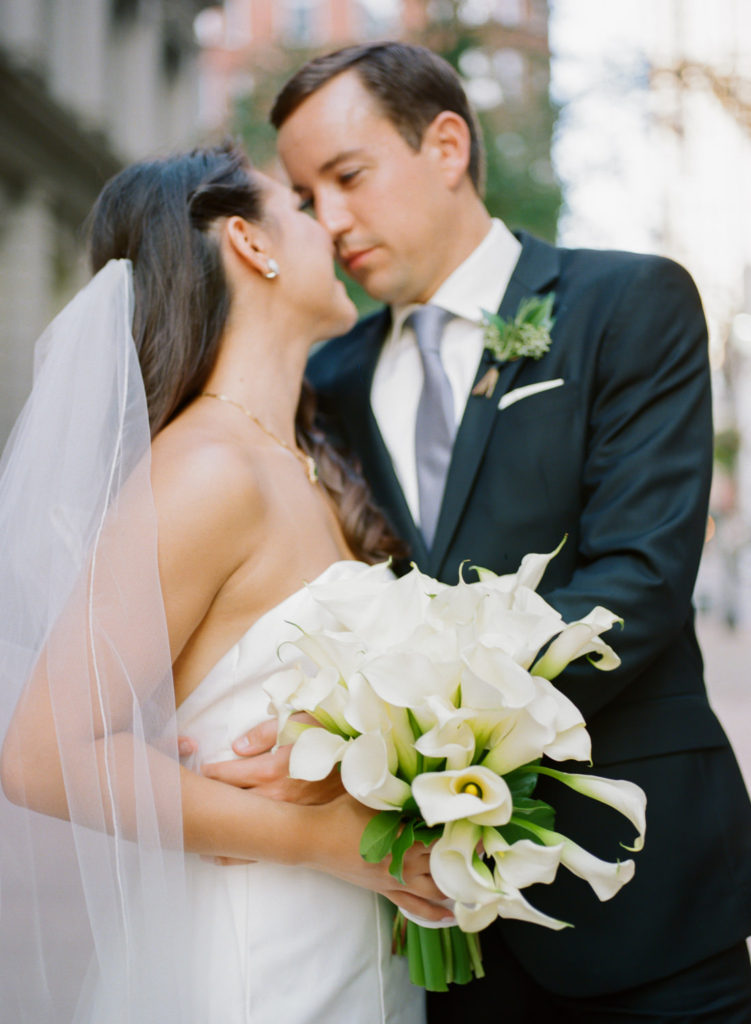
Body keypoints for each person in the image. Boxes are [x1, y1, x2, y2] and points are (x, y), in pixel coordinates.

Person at [211, 42, 751, 1021]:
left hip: (641, 891)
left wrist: (398, 724)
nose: (328, 221)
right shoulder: (326, 381)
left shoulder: (626, 304)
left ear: (447, 145)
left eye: (348, 175)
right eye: (304, 194)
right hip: (431, 920)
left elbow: (638, 581)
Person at [0, 142, 440, 1022]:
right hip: (255, 961)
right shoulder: (206, 469)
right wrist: (318, 839)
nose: (334, 228)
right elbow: (44, 756)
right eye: (304, 209)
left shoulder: (300, 461)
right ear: (250, 241)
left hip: (345, 942)